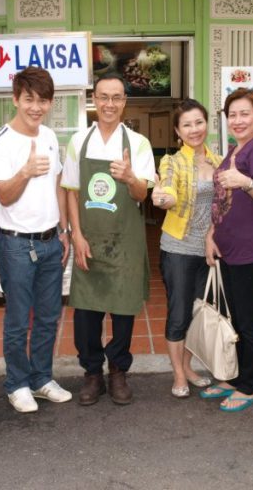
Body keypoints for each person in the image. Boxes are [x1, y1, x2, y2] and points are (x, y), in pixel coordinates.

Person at [0, 68, 73, 416]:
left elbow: (59, 186)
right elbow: (3, 195)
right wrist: (24, 171)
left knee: (49, 317)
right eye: (29, 99)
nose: (36, 107)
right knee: (19, 320)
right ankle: (16, 384)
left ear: (50, 103)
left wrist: (64, 231)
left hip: (51, 241)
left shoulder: (49, 136)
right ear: (16, 99)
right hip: (16, 246)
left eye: (43, 100)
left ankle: (42, 378)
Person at [64, 72, 154, 406]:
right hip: (89, 238)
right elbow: (71, 192)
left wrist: (130, 177)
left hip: (125, 240)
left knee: (123, 309)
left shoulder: (138, 144)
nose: (109, 104)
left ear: (124, 102)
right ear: (94, 99)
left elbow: (143, 194)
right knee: (86, 313)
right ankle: (91, 373)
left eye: (116, 97)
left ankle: (118, 370)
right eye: (103, 97)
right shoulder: (79, 141)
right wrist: (76, 235)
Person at [200, 88, 253, 412]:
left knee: (248, 321)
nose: (238, 120)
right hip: (228, 247)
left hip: (250, 249)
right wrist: (210, 235)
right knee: (234, 318)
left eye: (245, 113)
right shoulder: (235, 149)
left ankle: (248, 387)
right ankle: (234, 377)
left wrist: (245, 182)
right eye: (232, 114)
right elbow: (222, 202)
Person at [150, 99, 221, 398]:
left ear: (207, 124)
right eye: (187, 125)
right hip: (178, 248)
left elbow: (225, 205)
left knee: (199, 311)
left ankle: (189, 367)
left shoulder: (220, 162)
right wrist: (162, 197)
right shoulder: (172, 162)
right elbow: (166, 189)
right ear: (178, 131)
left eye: (199, 122)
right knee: (178, 313)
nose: (194, 129)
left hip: (209, 249)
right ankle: (178, 373)